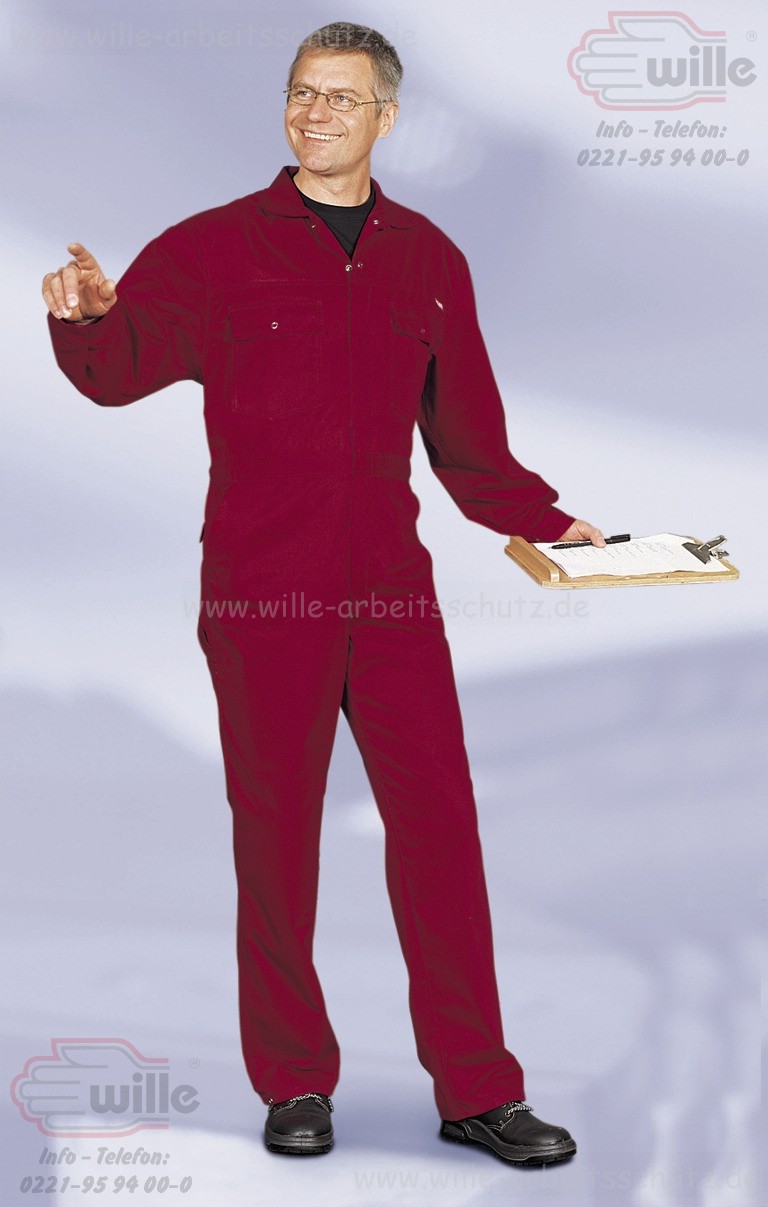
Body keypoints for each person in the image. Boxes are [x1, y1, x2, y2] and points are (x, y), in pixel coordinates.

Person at [43, 21, 604, 1167]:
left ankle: (478, 1089)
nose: (315, 113)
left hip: (390, 592)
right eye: (303, 93)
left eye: (342, 98)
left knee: (440, 829)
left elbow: (469, 443)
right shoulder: (213, 249)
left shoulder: (429, 260)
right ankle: (295, 1081)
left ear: (387, 117)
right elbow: (117, 371)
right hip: (262, 590)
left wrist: (553, 525)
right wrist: (87, 318)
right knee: (278, 837)